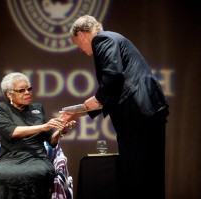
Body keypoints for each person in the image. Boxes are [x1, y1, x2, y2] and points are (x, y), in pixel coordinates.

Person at [61, 15, 169, 199]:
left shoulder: (102, 39)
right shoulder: (114, 39)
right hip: (147, 111)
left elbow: (113, 74)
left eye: (77, 44)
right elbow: (115, 86)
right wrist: (78, 111)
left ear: (81, 35)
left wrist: (97, 99)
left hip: (138, 113)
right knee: (150, 174)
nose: (80, 49)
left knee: (136, 173)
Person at [0, 72, 76, 199]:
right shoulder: (2, 109)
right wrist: (44, 126)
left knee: (39, 173)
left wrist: (62, 130)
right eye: (21, 90)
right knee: (0, 175)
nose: (27, 92)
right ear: (9, 94)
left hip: (37, 157)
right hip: (11, 158)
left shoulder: (37, 108)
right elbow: (13, 131)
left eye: (29, 89)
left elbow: (51, 139)